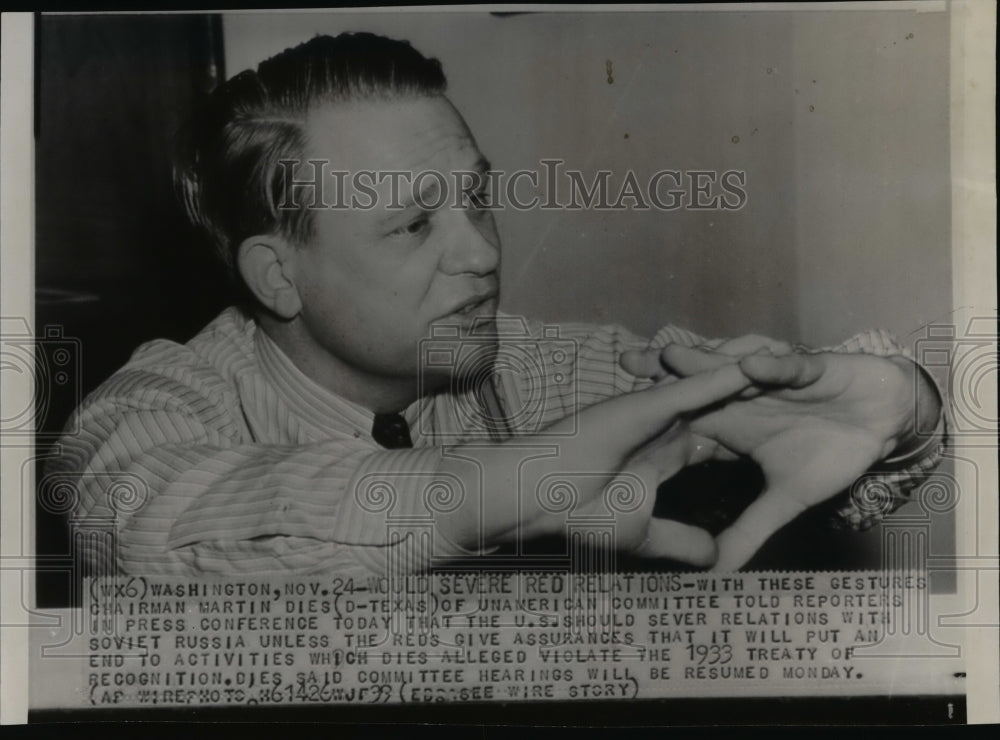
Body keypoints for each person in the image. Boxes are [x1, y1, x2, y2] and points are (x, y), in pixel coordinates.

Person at [53, 32, 945, 578]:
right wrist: (477, 496)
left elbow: (786, 421)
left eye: (475, 198)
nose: (482, 252)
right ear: (277, 276)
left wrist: (905, 412)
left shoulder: (544, 367)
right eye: (413, 225)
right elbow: (133, 521)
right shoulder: (162, 397)